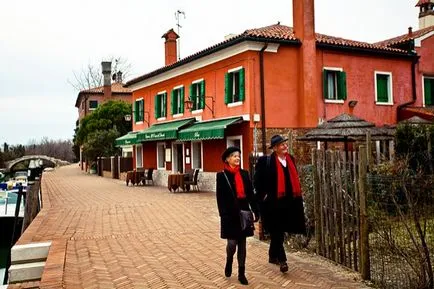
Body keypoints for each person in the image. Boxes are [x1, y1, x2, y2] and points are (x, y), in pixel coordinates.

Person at [254, 135, 306, 273]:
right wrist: (263, 197)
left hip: (288, 203)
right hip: (272, 204)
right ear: (275, 148)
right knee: (277, 231)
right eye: (282, 145)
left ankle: (272, 255)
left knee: (280, 231)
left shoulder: (291, 160)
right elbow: (257, 182)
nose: (285, 146)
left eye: (285, 144)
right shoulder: (266, 161)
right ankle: (283, 261)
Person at [216, 146, 259, 285]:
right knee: (232, 244)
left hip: (244, 213)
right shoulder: (222, 176)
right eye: (234, 156)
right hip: (229, 214)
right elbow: (220, 197)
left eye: (238, 156)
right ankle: (229, 260)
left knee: (242, 244)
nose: (237, 158)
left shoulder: (245, 174)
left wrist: (255, 211)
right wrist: (223, 214)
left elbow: (251, 194)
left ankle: (241, 273)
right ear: (228, 159)